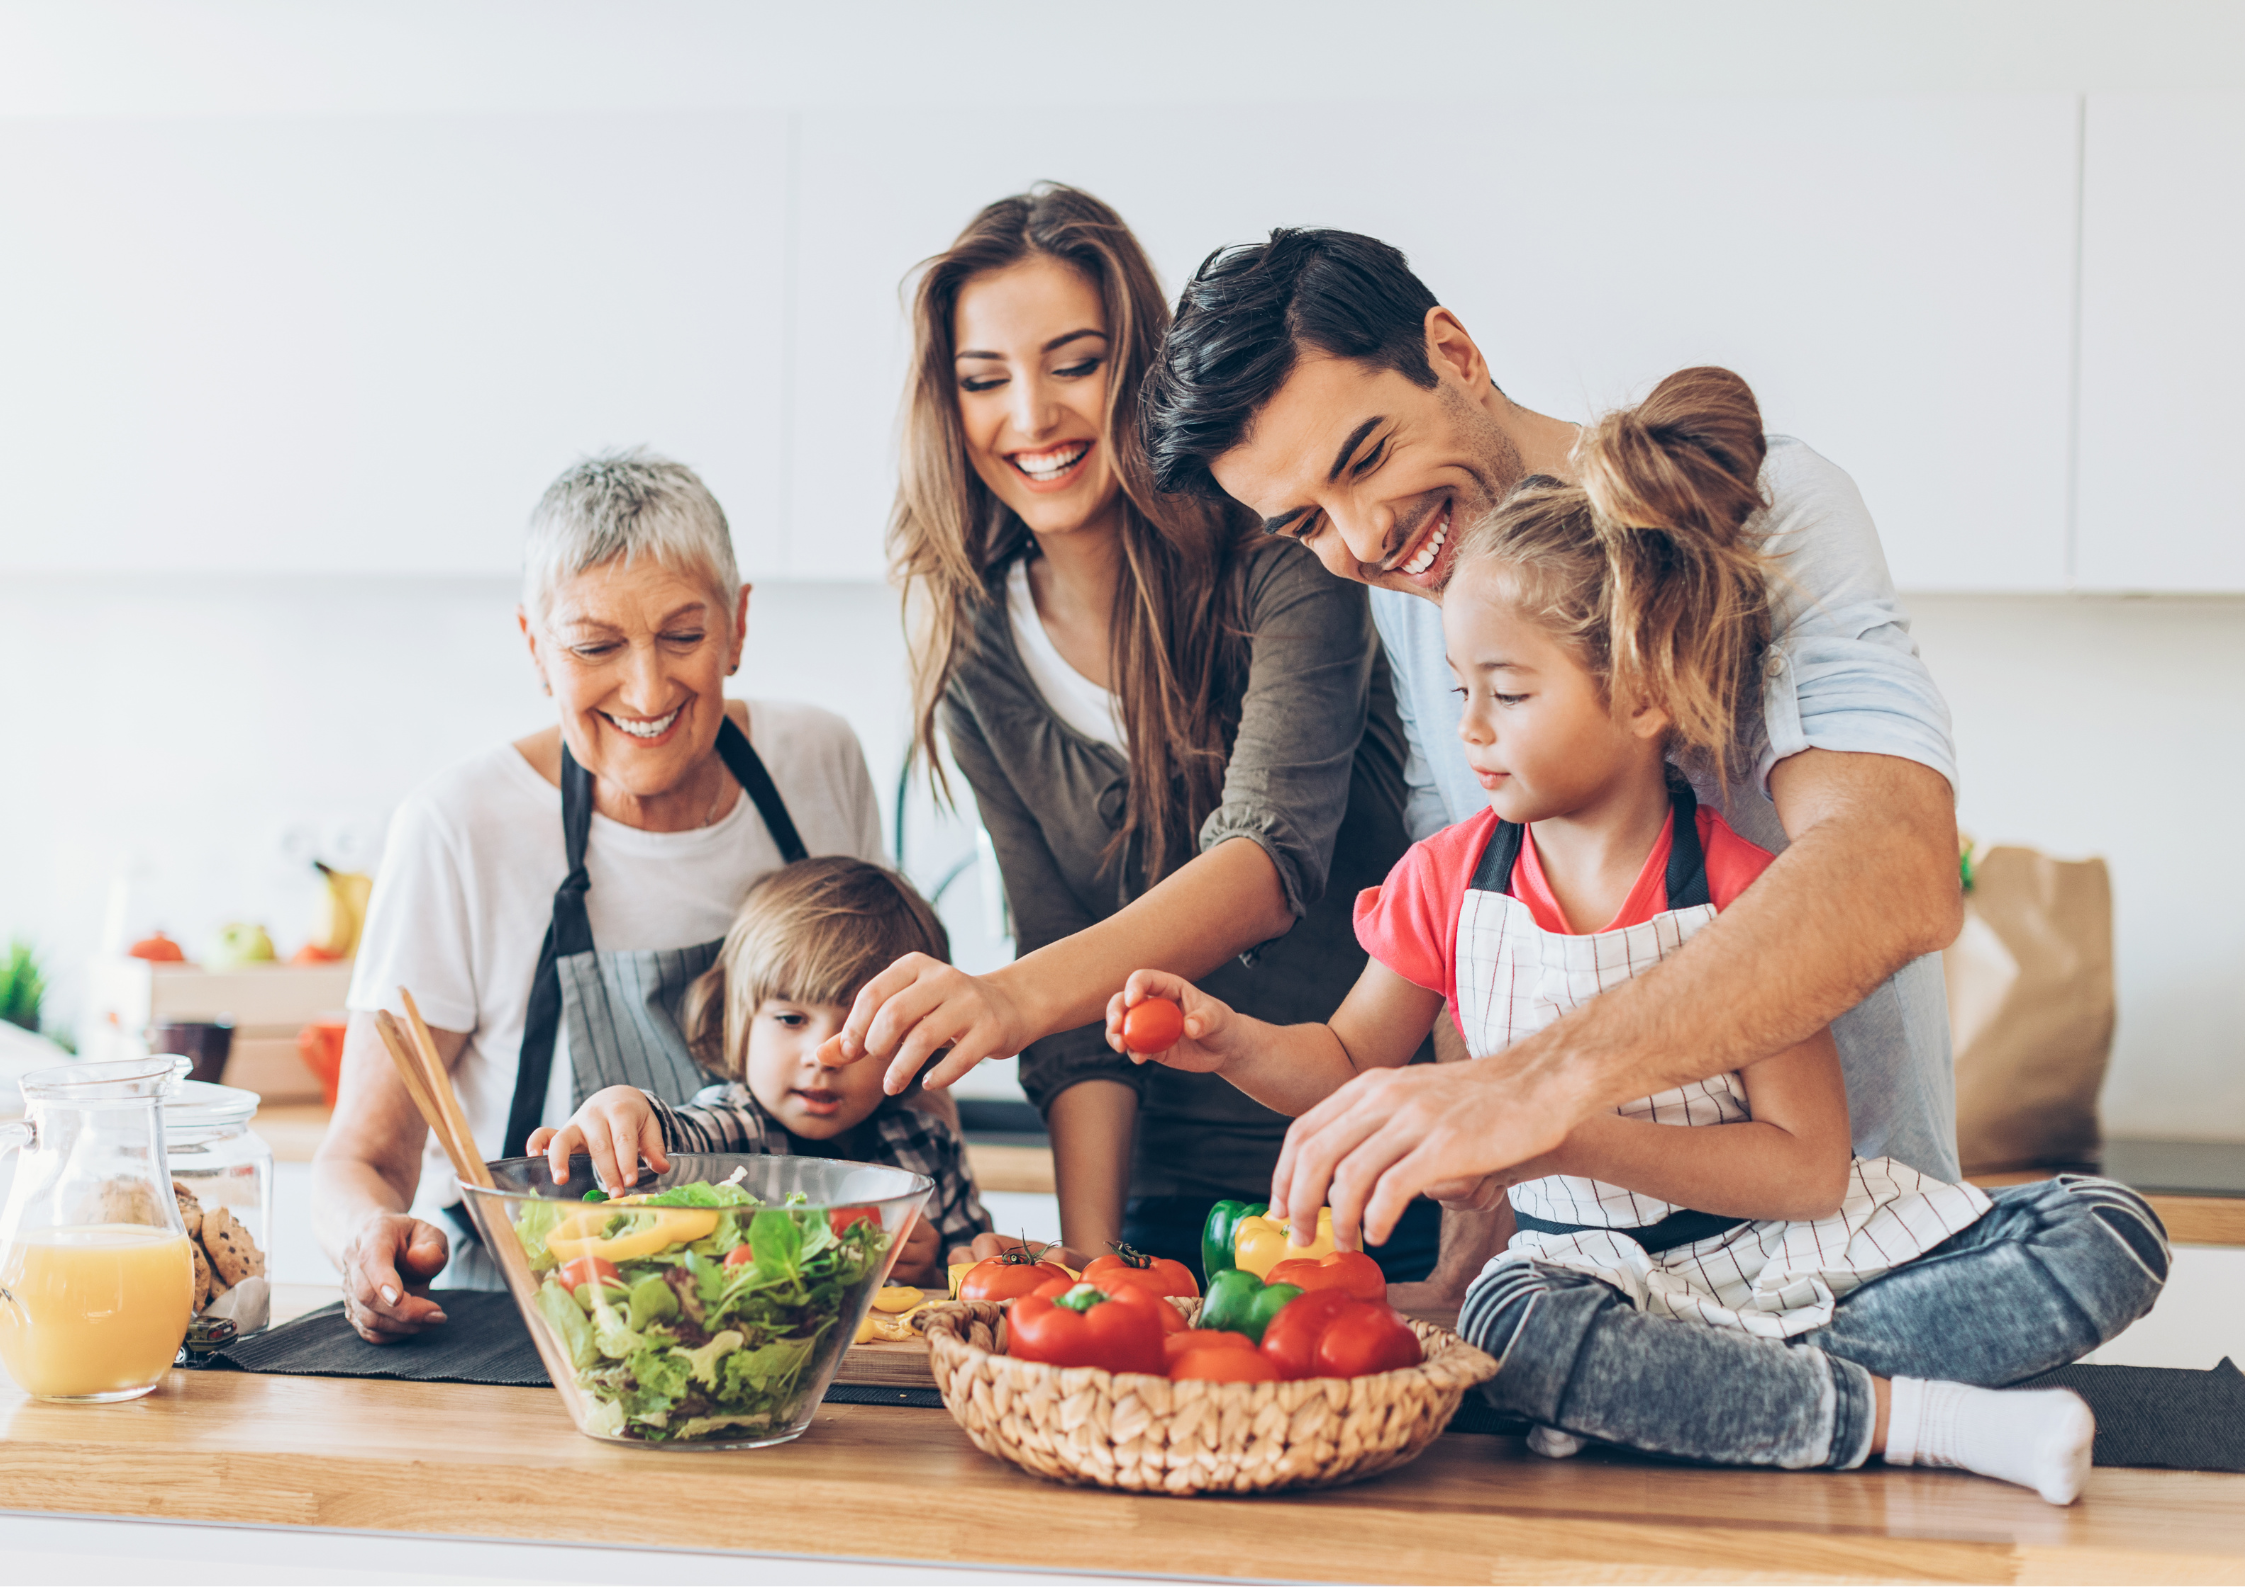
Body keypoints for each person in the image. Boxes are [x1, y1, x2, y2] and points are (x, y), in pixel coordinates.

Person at [1109, 368, 2166, 1504]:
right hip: (1592, 1282)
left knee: (2109, 1232)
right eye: (1459, 689)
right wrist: (1229, 1042)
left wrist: (1558, 1131)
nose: (1467, 732)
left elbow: (1809, 1171)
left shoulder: (1748, 897)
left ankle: (1686, 1401)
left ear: (1644, 692)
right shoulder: (1445, 883)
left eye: (1506, 694)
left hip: (1788, 1259)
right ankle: (1906, 1419)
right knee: (1519, 1324)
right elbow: (1345, 1061)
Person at [1139, 230, 1970, 1290]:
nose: (1368, 539)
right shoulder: (1418, 597)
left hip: (1858, 1255)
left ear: (1453, 351)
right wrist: (1463, 1275)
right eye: (1306, 522)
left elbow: (1895, 868)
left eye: (1365, 457)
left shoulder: (1768, 505)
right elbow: (1469, 961)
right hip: (1592, 1279)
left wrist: (1539, 1094)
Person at [851, 185, 1431, 1280]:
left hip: (1373, 1178)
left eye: (1073, 363)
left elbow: (1265, 863)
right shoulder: (977, 647)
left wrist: (1004, 1000)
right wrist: (1091, 1268)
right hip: (1165, 1205)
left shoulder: (1284, 558)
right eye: (984, 380)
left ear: (1142, 369)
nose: (1029, 417)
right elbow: (1066, 989)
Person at [314, 451, 886, 1341]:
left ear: (737, 624)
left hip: (786, 1322)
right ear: (535, 647)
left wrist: (917, 1222)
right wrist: (365, 1239)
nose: (648, 689)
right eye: (595, 646)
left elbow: (899, 1057)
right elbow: (363, 1154)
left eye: (684, 636)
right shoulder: (459, 826)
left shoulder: (817, 762)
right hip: (532, 1334)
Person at [528, 857, 992, 1288]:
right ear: (738, 1022)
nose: (824, 1056)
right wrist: (624, 1106)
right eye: (791, 1020)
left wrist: (932, 1272)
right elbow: (675, 1135)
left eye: (863, 1030)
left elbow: (977, 1284)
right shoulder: (734, 1124)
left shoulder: (930, 1143)